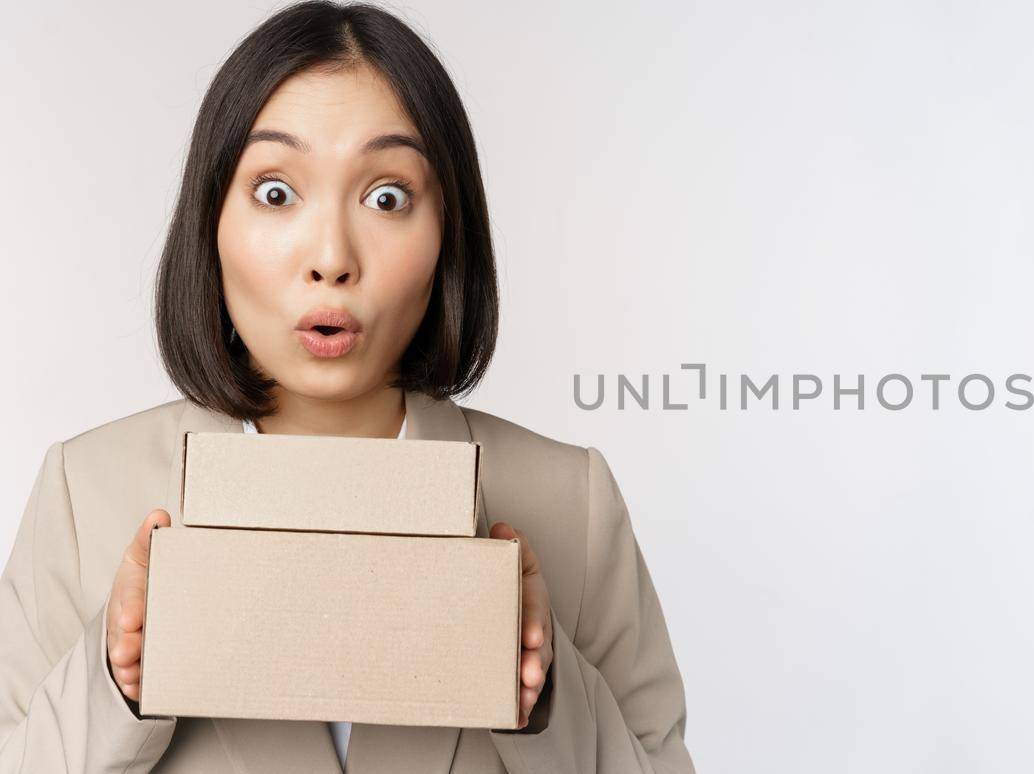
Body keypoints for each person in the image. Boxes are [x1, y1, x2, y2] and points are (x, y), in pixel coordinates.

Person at [0, 3, 693, 772]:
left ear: (447, 234)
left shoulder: (572, 502)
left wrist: (544, 690)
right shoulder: (84, 494)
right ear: (210, 222)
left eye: (387, 196)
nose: (331, 256)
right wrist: (115, 682)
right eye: (275, 192)